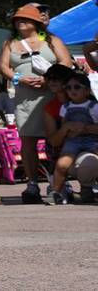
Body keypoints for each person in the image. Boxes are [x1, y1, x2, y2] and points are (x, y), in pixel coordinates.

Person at [0, 2, 75, 204]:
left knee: (56, 140)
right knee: (28, 140)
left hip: (52, 96)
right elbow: (3, 67)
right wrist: (18, 79)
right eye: (17, 20)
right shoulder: (10, 43)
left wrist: (49, 79)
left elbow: (66, 62)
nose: (20, 23)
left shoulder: (51, 40)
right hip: (24, 99)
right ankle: (32, 184)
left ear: (35, 22)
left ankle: (59, 182)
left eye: (25, 19)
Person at [47, 67, 98, 204]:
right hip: (72, 141)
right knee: (62, 165)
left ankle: (91, 188)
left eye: (77, 87)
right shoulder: (65, 107)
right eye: (68, 88)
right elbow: (64, 125)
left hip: (92, 140)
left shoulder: (94, 106)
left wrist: (86, 129)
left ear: (87, 90)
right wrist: (68, 130)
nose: (72, 90)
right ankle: (56, 192)